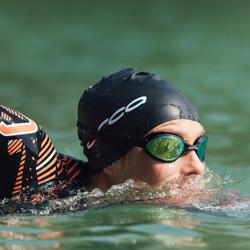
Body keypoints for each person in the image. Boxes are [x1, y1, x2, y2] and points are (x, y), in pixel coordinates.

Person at [0, 68, 207, 200]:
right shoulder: (27, 159)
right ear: (110, 159)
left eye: (199, 147)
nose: (197, 167)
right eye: (168, 146)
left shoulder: (209, 203)